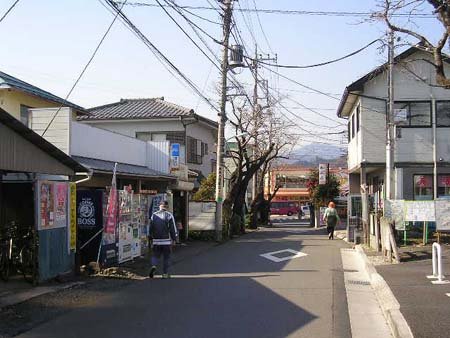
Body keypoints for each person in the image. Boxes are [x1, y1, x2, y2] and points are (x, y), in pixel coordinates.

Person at [148, 200, 178, 279]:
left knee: (155, 255)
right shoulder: (169, 215)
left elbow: (150, 229)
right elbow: (172, 228)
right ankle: (165, 274)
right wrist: (174, 239)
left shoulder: (154, 215)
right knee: (166, 257)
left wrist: (150, 238)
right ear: (167, 207)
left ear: (159, 206)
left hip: (156, 241)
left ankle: (154, 266)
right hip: (166, 241)